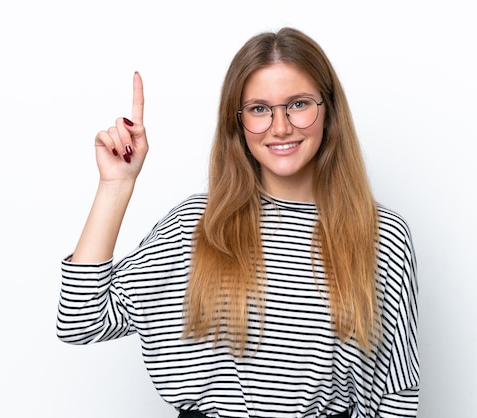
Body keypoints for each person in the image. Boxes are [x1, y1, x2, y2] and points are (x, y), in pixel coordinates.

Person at [57, 27, 419, 418]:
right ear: (239, 123)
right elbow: (80, 320)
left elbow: (395, 394)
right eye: (260, 109)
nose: (280, 127)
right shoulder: (196, 226)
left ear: (328, 110)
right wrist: (116, 185)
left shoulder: (382, 235)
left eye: (298, 104)